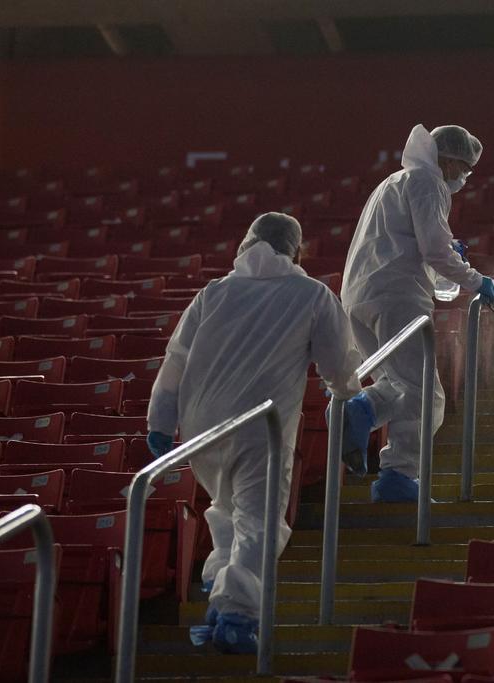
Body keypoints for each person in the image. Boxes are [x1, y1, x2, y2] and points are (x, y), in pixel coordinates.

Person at [146, 212, 362, 654]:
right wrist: (350, 395)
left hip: (201, 430)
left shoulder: (214, 293)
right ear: (295, 251)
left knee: (228, 511)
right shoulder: (311, 295)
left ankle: (218, 593)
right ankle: (238, 615)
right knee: (259, 522)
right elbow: (338, 363)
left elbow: (175, 362)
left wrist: (159, 422)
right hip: (258, 428)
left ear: (247, 245)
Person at [340, 124, 494, 503]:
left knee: (402, 385)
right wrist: (477, 281)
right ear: (446, 160)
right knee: (426, 395)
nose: (463, 178)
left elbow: (416, 246)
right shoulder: (429, 183)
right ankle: (378, 443)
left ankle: (390, 462)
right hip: (397, 299)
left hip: (360, 297)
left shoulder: (393, 183)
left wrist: (448, 253)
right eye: (462, 169)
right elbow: (432, 251)